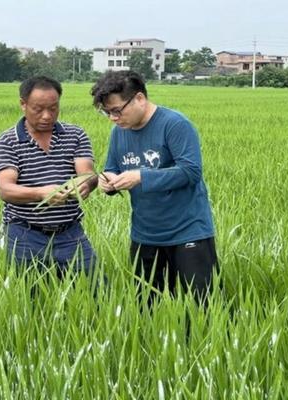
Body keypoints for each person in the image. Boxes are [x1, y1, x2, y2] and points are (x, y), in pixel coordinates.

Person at [90, 70, 218, 305]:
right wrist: (108, 182)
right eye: (107, 112)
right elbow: (113, 168)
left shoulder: (175, 124)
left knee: (201, 309)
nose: (113, 118)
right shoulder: (119, 132)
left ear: (139, 98)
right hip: (145, 234)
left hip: (188, 232)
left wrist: (141, 177)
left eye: (117, 110)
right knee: (149, 309)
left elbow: (190, 171)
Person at [0, 76, 97, 275]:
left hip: (70, 233)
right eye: (38, 109)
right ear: (23, 104)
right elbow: (5, 189)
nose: (47, 116)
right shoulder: (8, 141)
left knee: (96, 290)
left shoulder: (75, 135)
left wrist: (86, 183)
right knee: (29, 298)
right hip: (25, 234)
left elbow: (88, 172)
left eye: (53, 108)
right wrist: (40, 193)